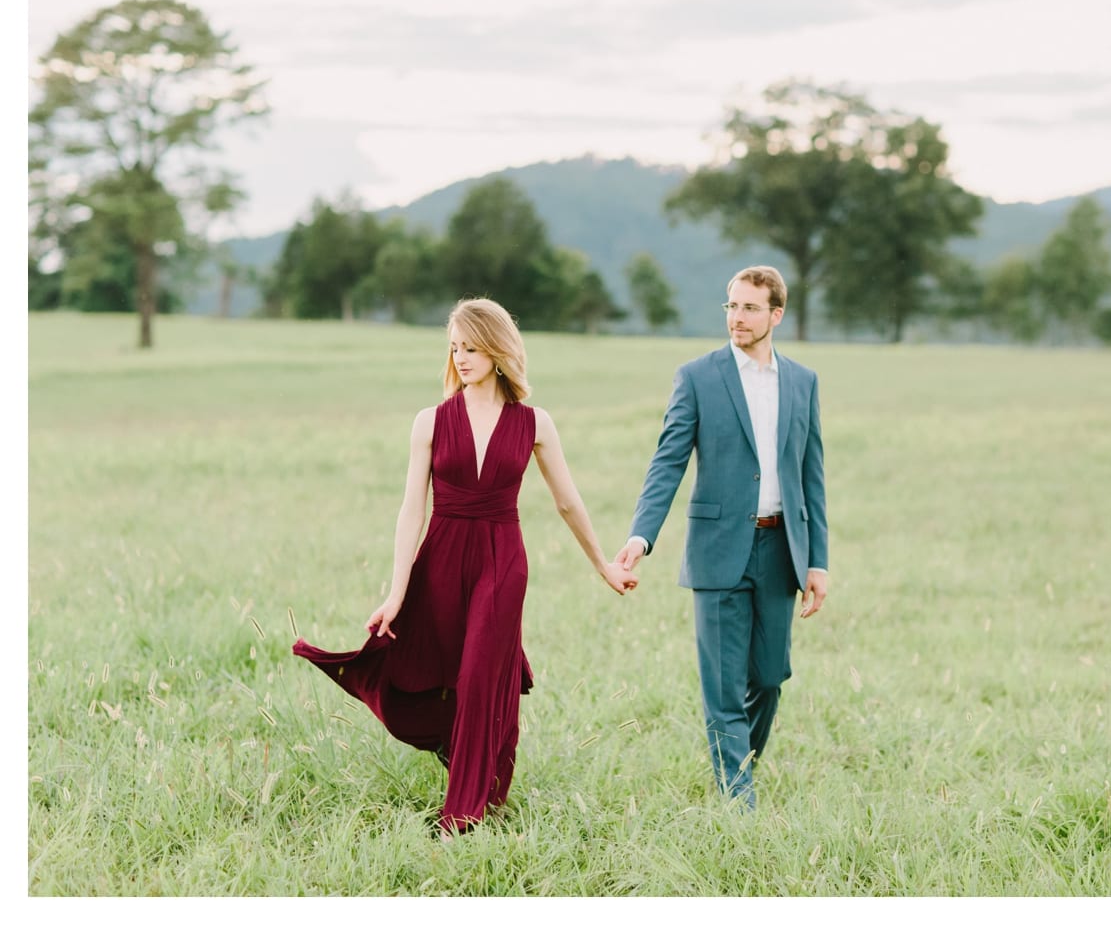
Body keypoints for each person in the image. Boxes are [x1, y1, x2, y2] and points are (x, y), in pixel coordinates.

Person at [294, 297, 637, 835]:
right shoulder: (429, 422)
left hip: (502, 560)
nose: (462, 358)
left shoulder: (534, 422)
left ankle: (464, 812)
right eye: (455, 348)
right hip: (441, 556)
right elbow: (413, 509)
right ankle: (467, 761)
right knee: (437, 674)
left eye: (472, 348)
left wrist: (603, 566)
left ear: (499, 350)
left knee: (481, 676)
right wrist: (397, 591)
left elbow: (567, 501)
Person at [615, 265, 828, 808]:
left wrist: (817, 562)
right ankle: (739, 801)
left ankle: (740, 765)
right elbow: (667, 463)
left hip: (781, 551)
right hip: (715, 552)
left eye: (750, 308)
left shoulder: (802, 382)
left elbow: (811, 477)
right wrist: (641, 537)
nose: (737, 317)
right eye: (731, 306)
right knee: (723, 688)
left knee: (770, 677)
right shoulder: (697, 377)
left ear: (776, 315)